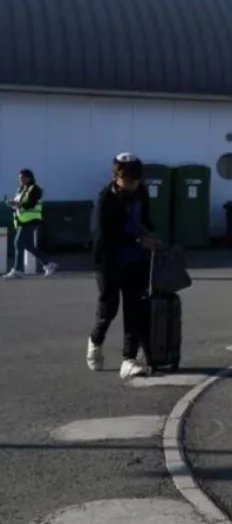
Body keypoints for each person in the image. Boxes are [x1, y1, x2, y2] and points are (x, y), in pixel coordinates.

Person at [87, 153, 159, 378]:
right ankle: (95, 342)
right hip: (109, 261)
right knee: (109, 309)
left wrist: (152, 237)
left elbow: (145, 220)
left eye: (136, 179)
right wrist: (138, 240)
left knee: (134, 309)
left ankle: (129, 359)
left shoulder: (141, 193)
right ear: (116, 177)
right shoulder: (105, 199)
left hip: (136, 260)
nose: (132, 184)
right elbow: (104, 235)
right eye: (127, 179)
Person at [4, 169, 58, 278]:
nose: (21, 180)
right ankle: (48, 264)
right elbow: (18, 204)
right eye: (19, 178)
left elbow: (31, 204)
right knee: (28, 245)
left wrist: (17, 205)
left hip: (32, 220)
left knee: (18, 242)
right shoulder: (20, 189)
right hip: (23, 220)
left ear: (29, 178)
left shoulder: (35, 189)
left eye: (23, 177)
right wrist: (12, 204)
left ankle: (18, 270)